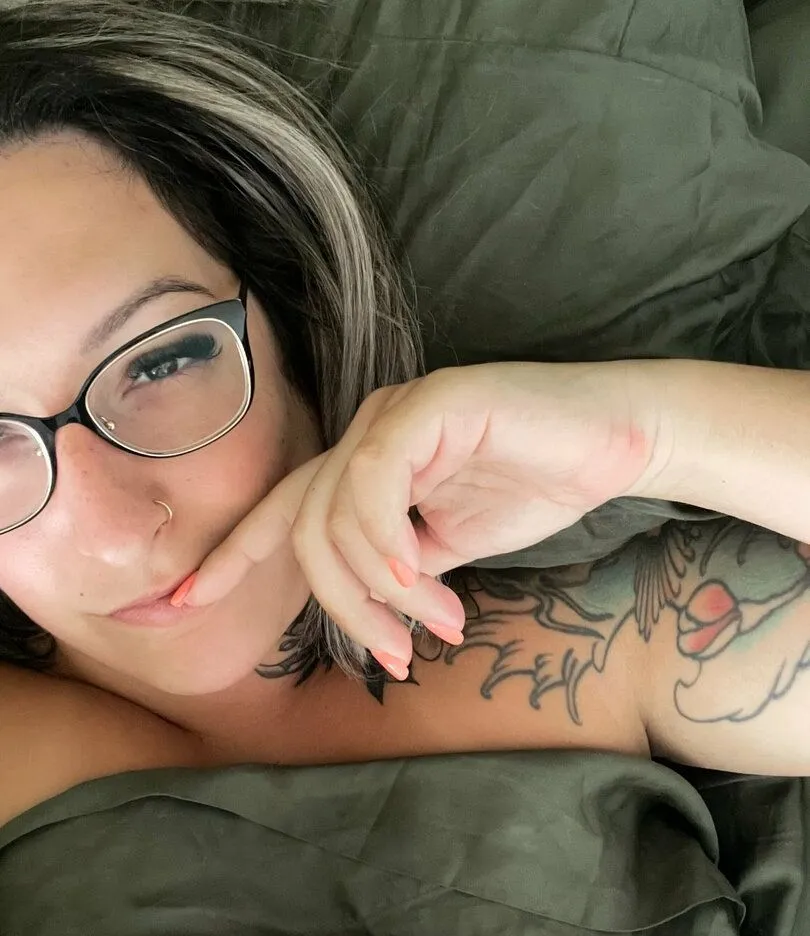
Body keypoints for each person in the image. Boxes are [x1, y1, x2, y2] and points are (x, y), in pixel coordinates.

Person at [1, 0, 810, 838]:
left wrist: (645, 434)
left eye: (159, 363)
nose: (114, 537)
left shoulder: (588, 645)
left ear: (292, 307)